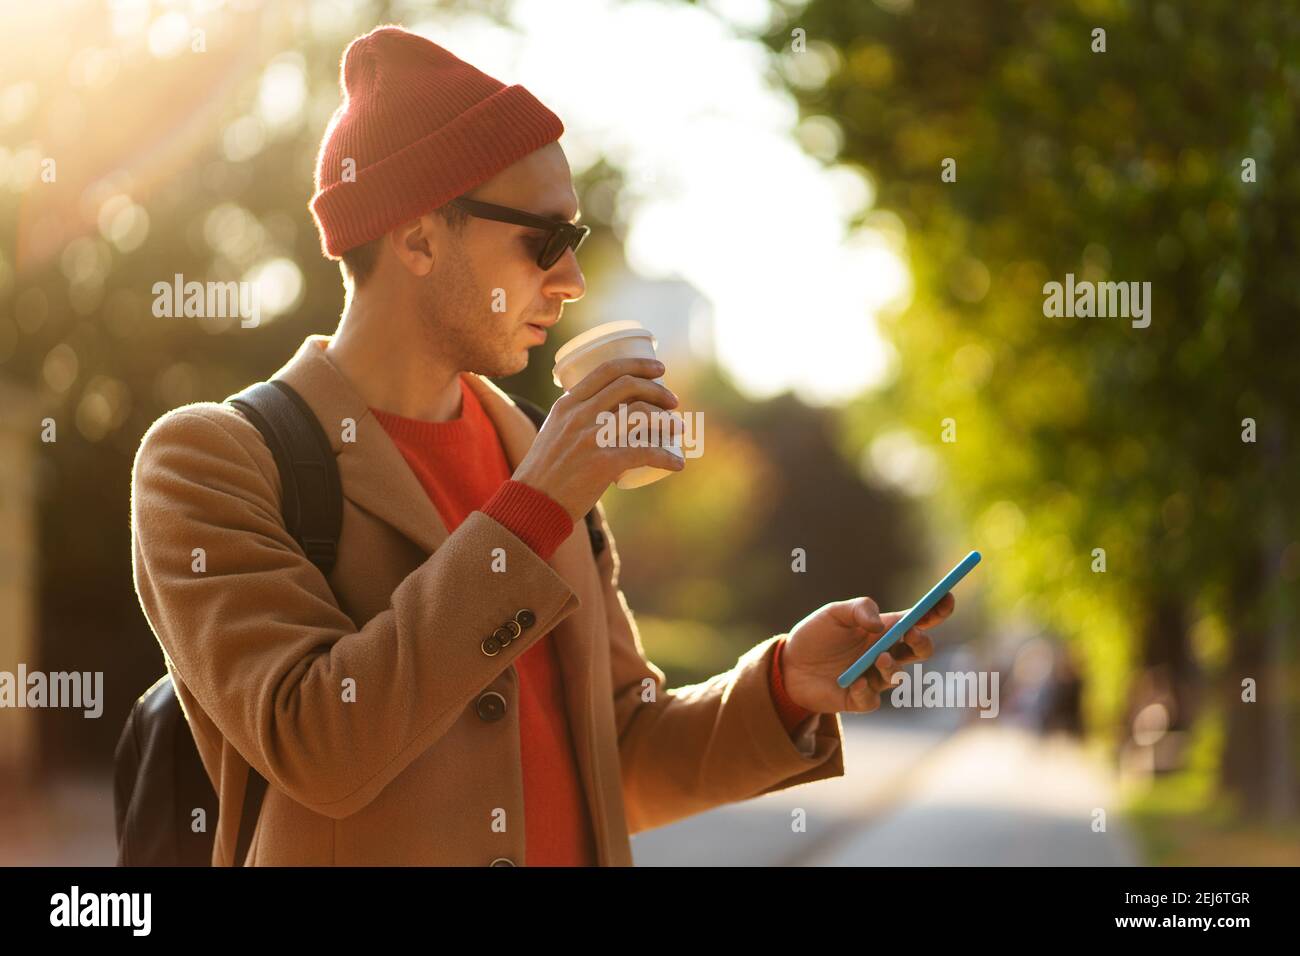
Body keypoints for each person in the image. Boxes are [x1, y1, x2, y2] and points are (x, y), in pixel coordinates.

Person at [129, 25, 954, 866]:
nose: (571, 280)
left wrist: (781, 687)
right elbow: (320, 747)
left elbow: (615, 759)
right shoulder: (212, 460)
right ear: (416, 238)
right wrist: (540, 500)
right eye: (544, 239)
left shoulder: (534, 451)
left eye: (576, 242)